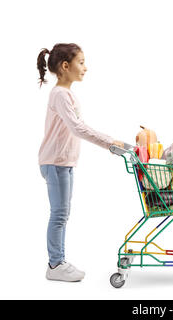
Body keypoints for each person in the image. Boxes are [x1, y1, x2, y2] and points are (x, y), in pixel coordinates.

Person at [37, 43, 124, 282]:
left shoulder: (65, 94)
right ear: (66, 66)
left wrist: (111, 142)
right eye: (81, 62)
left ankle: (58, 262)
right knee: (59, 214)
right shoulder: (61, 94)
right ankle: (55, 264)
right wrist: (109, 143)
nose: (86, 67)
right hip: (55, 162)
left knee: (62, 213)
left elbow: (76, 127)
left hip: (60, 162)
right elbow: (77, 128)